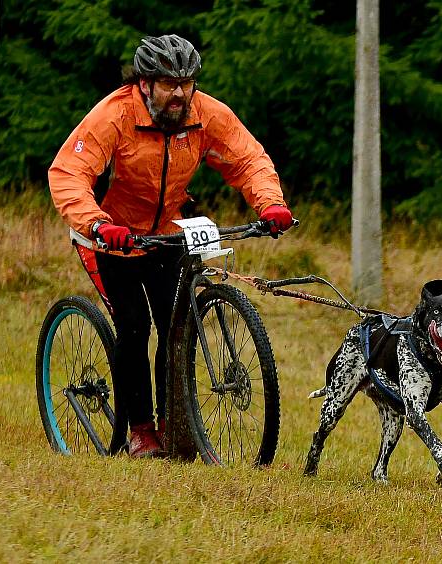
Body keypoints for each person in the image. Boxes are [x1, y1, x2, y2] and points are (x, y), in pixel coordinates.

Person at [49, 34, 294, 458]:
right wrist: (98, 223)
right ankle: (141, 430)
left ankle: (175, 424)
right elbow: (68, 173)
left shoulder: (205, 114)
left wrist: (271, 204)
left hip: (167, 234)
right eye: (169, 84)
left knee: (176, 325)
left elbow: (248, 158)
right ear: (145, 84)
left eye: (187, 83)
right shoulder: (114, 115)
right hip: (112, 239)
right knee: (134, 324)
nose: (180, 93)